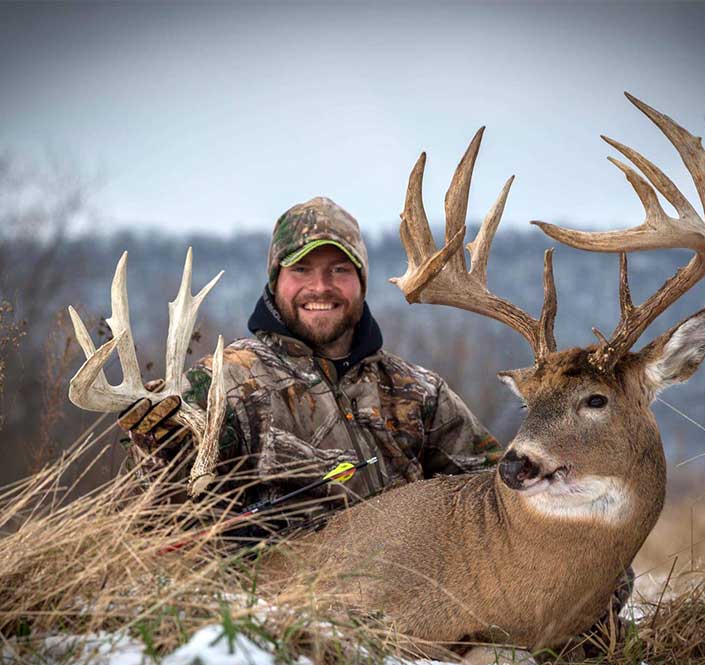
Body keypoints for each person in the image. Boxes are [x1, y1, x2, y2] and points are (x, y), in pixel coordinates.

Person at [119, 196, 503, 533]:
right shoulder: (224, 382)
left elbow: (496, 494)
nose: (320, 287)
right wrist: (161, 449)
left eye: (339, 269)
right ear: (275, 281)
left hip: (415, 586)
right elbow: (158, 519)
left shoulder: (419, 391)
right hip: (283, 590)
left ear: (361, 282)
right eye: (300, 269)